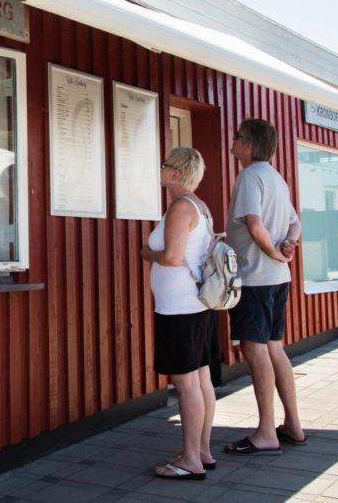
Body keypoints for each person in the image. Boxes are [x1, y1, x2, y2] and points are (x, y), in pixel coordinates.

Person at [224, 119, 305, 456]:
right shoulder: (277, 179)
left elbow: (255, 225)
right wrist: (288, 244)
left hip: (256, 278)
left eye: (238, 137)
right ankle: (293, 426)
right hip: (277, 281)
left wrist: (274, 252)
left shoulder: (249, 176)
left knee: (255, 350)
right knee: (275, 348)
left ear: (249, 144)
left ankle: (266, 433)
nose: (234, 141)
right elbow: (295, 223)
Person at [141, 147, 217, 481]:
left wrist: (146, 253)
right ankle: (201, 450)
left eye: (164, 165)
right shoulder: (200, 206)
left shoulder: (180, 207)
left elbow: (172, 257)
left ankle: (190, 460)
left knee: (186, 383)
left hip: (178, 307)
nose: (161, 170)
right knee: (200, 377)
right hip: (196, 304)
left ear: (175, 173)